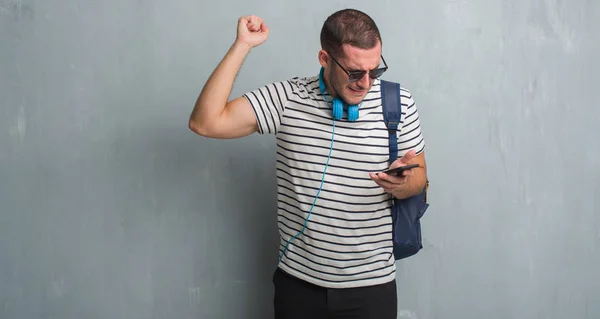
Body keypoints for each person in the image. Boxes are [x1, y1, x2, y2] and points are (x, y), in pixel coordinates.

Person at [189, 8, 428, 319]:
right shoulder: (287, 98)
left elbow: (419, 178)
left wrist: (403, 185)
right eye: (355, 73)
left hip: (372, 288)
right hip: (299, 287)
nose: (366, 83)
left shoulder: (399, 102)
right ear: (324, 59)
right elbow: (205, 122)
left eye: (375, 71)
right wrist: (242, 46)